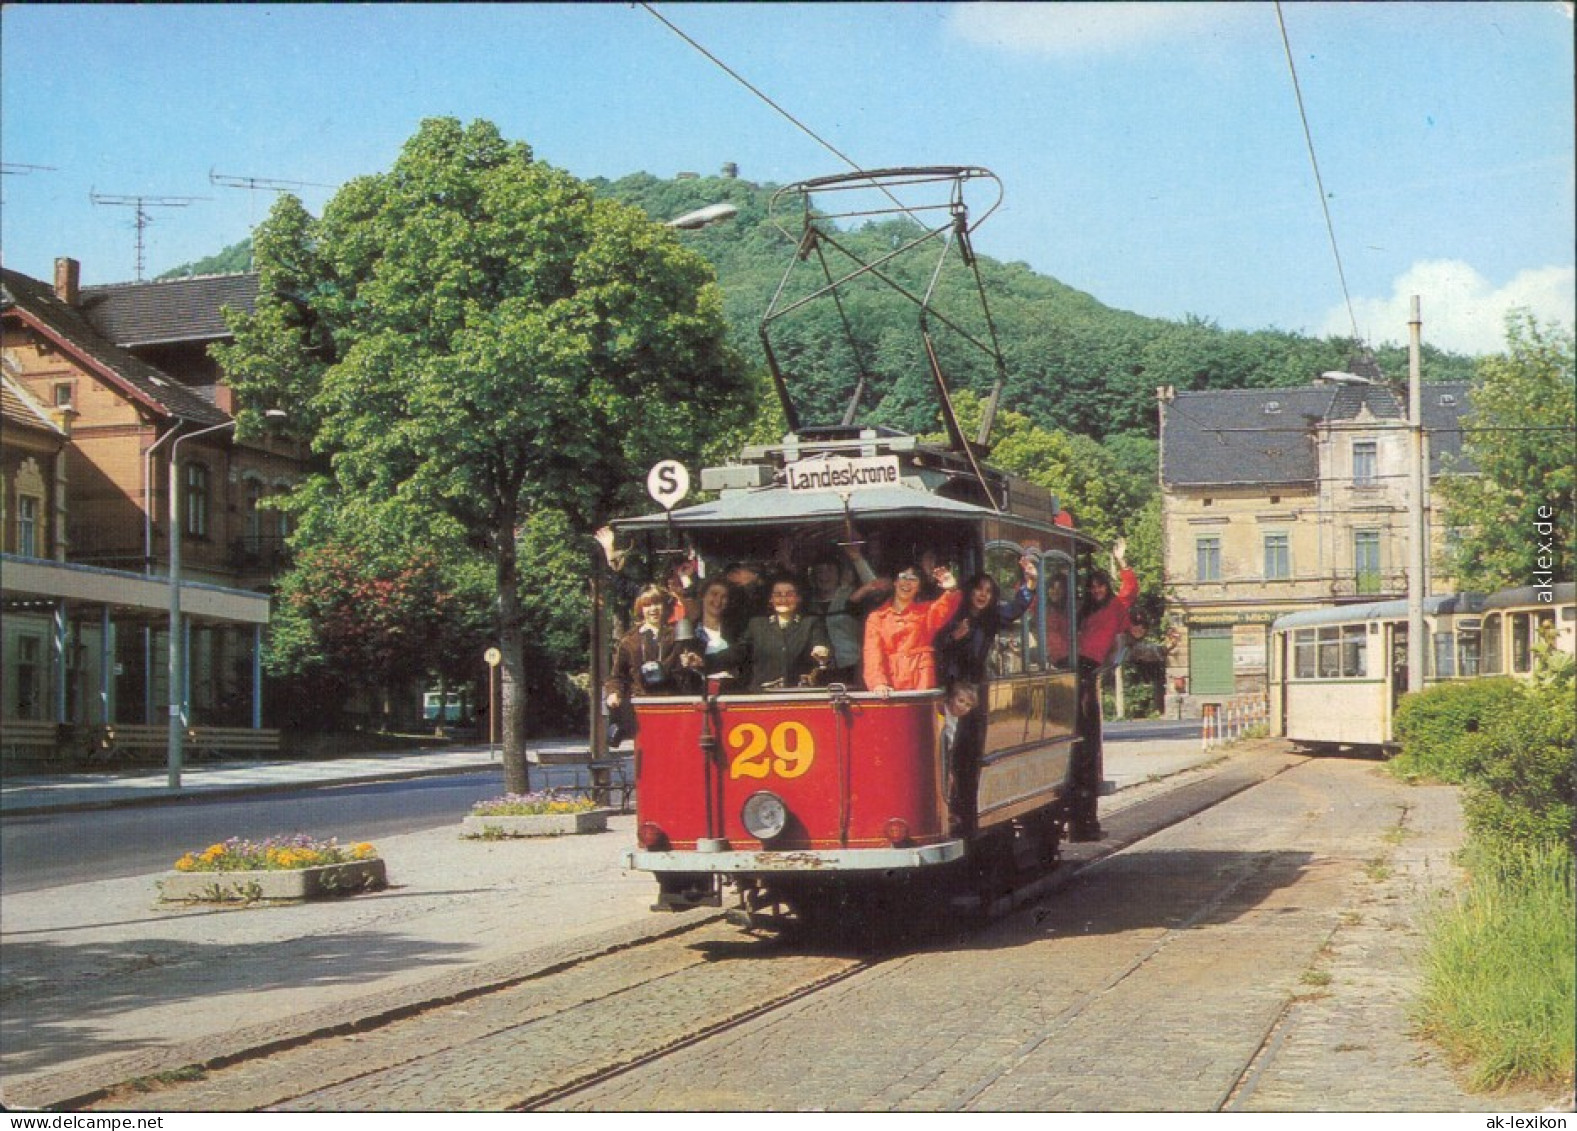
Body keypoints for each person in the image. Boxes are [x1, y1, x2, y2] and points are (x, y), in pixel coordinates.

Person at [936, 555, 1038, 835]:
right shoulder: (954, 614)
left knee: (968, 756)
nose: (983, 595)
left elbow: (1017, 608)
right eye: (978, 589)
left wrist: (1030, 581)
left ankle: (966, 817)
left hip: (973, 690)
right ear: (968, 592)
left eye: (989, 591)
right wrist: (953, 638)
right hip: (948, 689)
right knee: (947, 753)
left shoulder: (992, 617)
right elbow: (935, 643)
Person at [1069, 538, 1138, 842]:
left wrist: (1122, 561)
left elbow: (1131, 590)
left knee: (1087, 740)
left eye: (1100, 586)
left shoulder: (1114, 607)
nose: (1096, 591)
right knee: (1080, 739)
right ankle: (1082, 819)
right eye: (1092, 587)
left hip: (1088, 673)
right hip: (1074, 671)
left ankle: (1086, 819)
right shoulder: (1082, 611)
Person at [862, 563, 962, 696]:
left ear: (919, 587)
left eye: (913, 579)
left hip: (921, 680)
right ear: (895, 582)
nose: (907, 582)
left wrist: (951, 589)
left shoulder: (927, 611)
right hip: (890, 683)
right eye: (903, 577)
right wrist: (878, 682)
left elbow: (946, 605)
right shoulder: (876, 617)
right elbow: (872, 652)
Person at [806, 543, 891, 687]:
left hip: (852, 666)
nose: (824, 576)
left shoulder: (852, 595)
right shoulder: (807, 601)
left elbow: (876, 588)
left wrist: (857, 559)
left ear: (839, 574)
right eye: (820, 572)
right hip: (817, 670)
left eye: (829, 571)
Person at [605, 586, 679, 746]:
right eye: (647, 605)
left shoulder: (677, 636)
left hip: (672, 705)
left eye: (657, 603)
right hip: (642, 708)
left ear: (664, 606)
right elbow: (617, 676)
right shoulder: (629, 641)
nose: (653, 609)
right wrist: (614, 693)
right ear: (640, 608)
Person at [738, 576, 833, 691]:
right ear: (770, 599)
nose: (783, 599)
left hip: (799, 694)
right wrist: (713, 662)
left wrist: (821, 650)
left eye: (789, 594)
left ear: (798, 598)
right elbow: (738, 652)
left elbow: (819, 642)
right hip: (763, 696)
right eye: (778, 595)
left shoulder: (810, 622)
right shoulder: (756, 625)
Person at [671, 577, 743, 690]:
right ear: (703, 596)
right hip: (697, 695)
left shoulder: (737, 631)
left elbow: (738, 658)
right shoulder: (689, 631)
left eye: (724, 597)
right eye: (714, 594)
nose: (718, 600)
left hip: (732, 694)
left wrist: (704, 662)